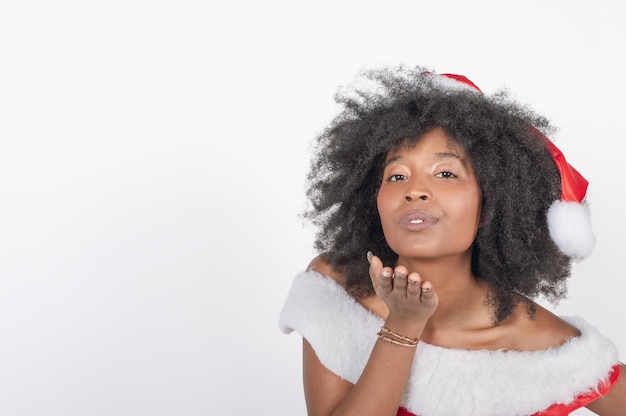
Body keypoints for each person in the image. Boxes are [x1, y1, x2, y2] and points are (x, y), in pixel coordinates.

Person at [278, 66, 625, 416]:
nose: (413, 190)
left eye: (446, 173)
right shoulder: (336, 289)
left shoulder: (543, 345)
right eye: (396, 175)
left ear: (491, 200)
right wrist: (402, 326)